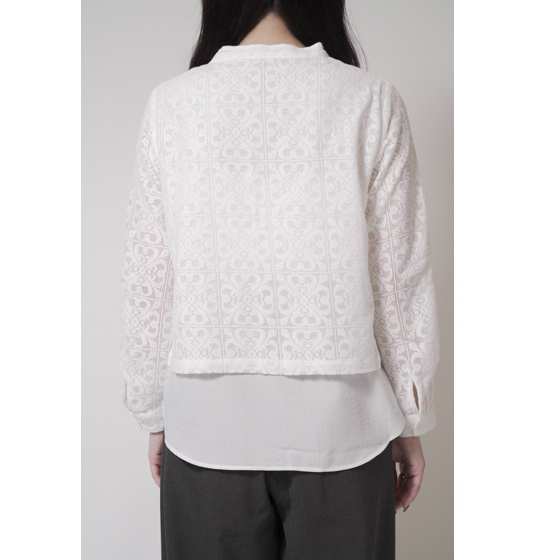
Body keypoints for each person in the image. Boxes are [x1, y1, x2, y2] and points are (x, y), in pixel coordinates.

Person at [119, 1, 441, 558]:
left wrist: (153, 409)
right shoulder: (370, 99)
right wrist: (409, 417)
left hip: (205, 433)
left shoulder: (171, 104)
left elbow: (150, 277)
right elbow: (398, 277)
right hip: (343, 433)